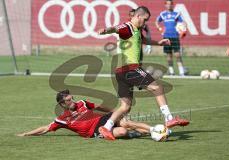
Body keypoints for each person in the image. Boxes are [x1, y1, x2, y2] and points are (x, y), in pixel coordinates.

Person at [98, 6, 189, 140]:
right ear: (138, 16)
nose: (145, 23)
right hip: (130, 68)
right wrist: (106, 30)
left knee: (125, 106)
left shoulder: (137, 30)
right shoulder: (127, 27)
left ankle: (106, 127)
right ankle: (169, 118)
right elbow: (116, 28)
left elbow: (144, 40)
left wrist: (159, 43)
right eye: (144, 20)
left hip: (120, 71)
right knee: (157, 87)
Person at [17, 90, 164, 140]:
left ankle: (155, 130)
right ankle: (140, 133)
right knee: (123, 131)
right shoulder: (63, 119)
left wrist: (115, 112)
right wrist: (26, 134)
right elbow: (46, 128)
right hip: (95, 132)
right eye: (68, 99)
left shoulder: (82, 103)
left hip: (104, 119)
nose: (72, 99)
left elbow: (99, 107)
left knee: (125, 122)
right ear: (62, 104)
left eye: (71, 97)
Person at [155, 0, 186, 76]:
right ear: (165, 5)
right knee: (169, 55)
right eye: (167, 4)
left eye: (171, 4)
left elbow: (183, 22)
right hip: (166, 37)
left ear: (173, 5)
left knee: (177, 54)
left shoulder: (176, 14)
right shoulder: (163, 14)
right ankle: (171, 71)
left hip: (175, 36)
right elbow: (156, 22)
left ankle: (181, 71)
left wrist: (183, 30)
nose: (169, 5)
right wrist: (159, 28)